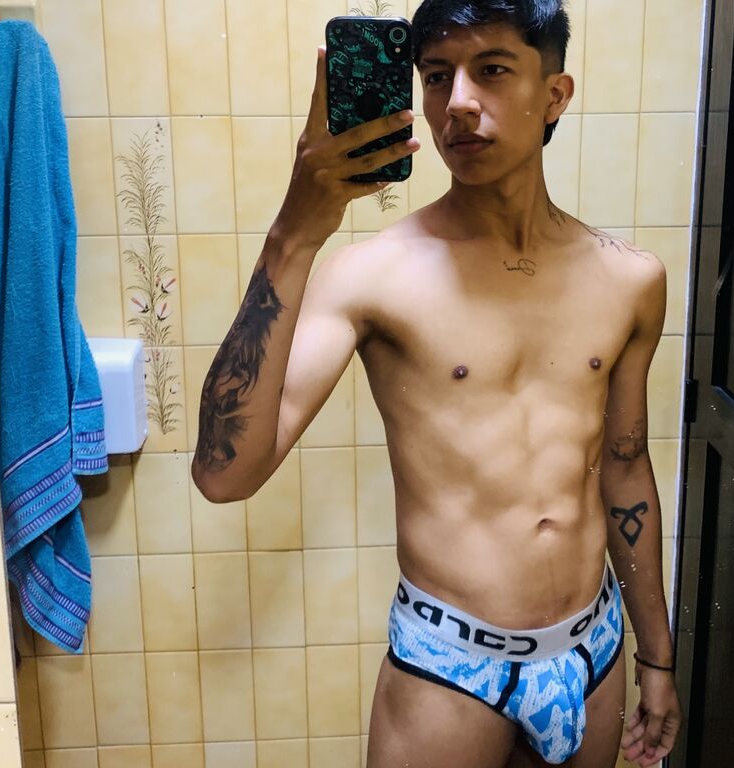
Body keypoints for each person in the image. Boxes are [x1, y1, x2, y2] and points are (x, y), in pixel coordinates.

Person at [191, 0, 681, 765]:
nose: (457, 102)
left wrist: (657, 656)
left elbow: (623, 466)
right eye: (436, 76)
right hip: (449, 668)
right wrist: (295, 232)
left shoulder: (630, 280)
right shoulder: (373, 277)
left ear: (555, 94)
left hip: (595, 650)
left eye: (492, 70)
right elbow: (225, 474)